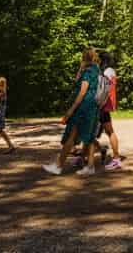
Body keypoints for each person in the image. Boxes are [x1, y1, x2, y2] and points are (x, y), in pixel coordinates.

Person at [43, 48, 103, 176]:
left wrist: (70, 111)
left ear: (84, 58)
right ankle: (90, 166)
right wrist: (80, 70)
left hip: (83, 106)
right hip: (94, 106)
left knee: (71, 134)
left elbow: (82, 92)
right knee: (90, 136)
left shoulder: (87, 72)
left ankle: (58, 166)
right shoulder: (97, 70)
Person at [94, 51, 124, 171]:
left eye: (97, 59)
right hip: (106, 106)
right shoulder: (111, 71)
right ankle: (115, 158)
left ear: (101, 60)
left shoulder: (103, 72)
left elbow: (100, 90)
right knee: (109, 132)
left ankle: (84, 157)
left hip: (100, 105)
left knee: (89, 133)